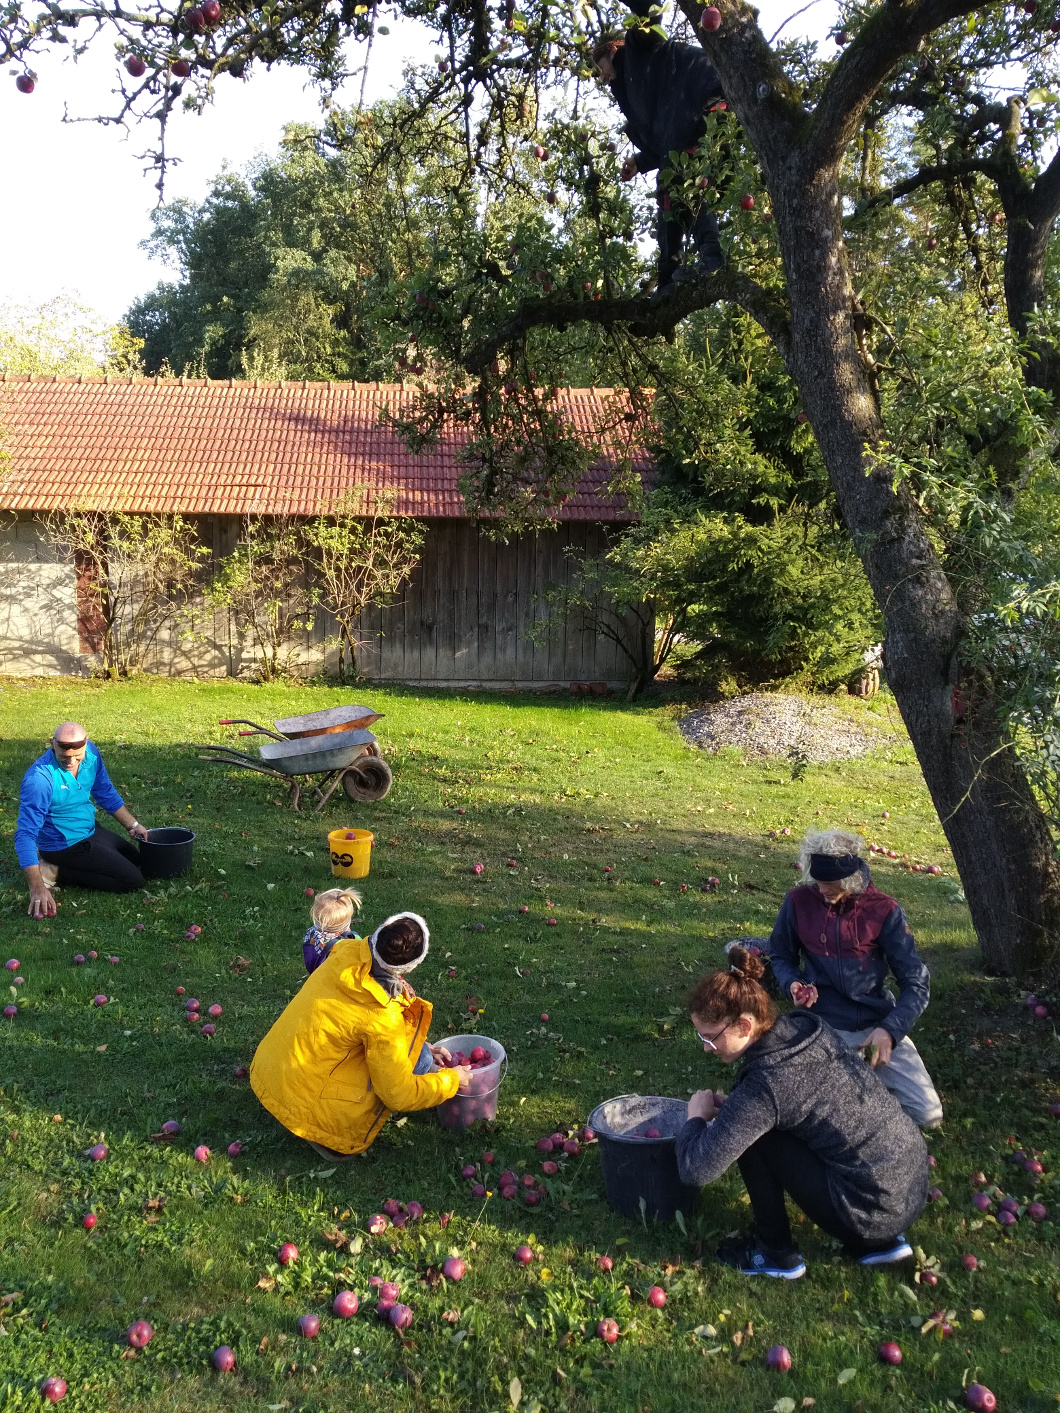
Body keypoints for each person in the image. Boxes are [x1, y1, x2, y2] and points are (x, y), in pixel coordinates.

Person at [676, 946, 929, 1279]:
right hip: (909, 1186)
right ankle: (878, 1243)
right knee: (753, 1120)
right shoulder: (807, 1028)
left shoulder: (766, 1085)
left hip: (871, 1211)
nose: (705, 1047)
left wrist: (695, 1118)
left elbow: (695, 1169)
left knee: (757, 1135)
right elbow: (804, 1101)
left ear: (744, 1025)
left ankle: (774, 1252)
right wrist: (737, 1110)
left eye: (711, 1037)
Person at [251, 911, 471, 1160]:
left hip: (270, 1074)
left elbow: (345, 1024)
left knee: (417, 1053)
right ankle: (324, 1135)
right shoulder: (381, 1015)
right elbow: (397, 1094)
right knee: (416, 1062)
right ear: (410, 967)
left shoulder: (343, 951)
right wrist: (451, 1080)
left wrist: (422, 1045)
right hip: (309, 1113)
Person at [768, 829, 943, 1129]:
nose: (822, 890)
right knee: (793, 1108)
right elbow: (781, 955)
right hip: (820, 1026)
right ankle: (853, 1088)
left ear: (851, 880)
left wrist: (890, 1030)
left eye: (830, 884)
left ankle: (860, 1086)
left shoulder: (884, 911)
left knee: (928, 1115)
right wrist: (792, 983)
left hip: (874, 1025)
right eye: (817, 881)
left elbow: (916, 982)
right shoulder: (798, 902)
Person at [593, 0, 726, 298]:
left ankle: (710, 254)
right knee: (670, 185)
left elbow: (649, 15)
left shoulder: (637, 48)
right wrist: (639, 162)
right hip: (685, 125)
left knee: (676, 179)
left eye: (599, 66)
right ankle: (668, 278)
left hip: (705, 98)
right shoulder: (633, 93)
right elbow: (663, 142)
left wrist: (641, 9)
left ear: (612, 50)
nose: (601, 75)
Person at [15, 722, 149, 918]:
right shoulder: (39, 780)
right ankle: (55, 870)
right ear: (53, 744)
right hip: (62, 845)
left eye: (77, 756)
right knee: (132, 881)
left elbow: (104, 791)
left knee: (137, 860)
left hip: (89, 830)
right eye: (64, 756)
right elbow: (25, 835)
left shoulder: (91, 753)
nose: (71, 762)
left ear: (85, 744)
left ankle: (62, 866)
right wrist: (36, 887)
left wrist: (133, 825)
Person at [303, 886, 363, 975]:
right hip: (338, 982)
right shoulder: (353, 942)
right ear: (348, 922)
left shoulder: (311, 934)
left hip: (317, 977)